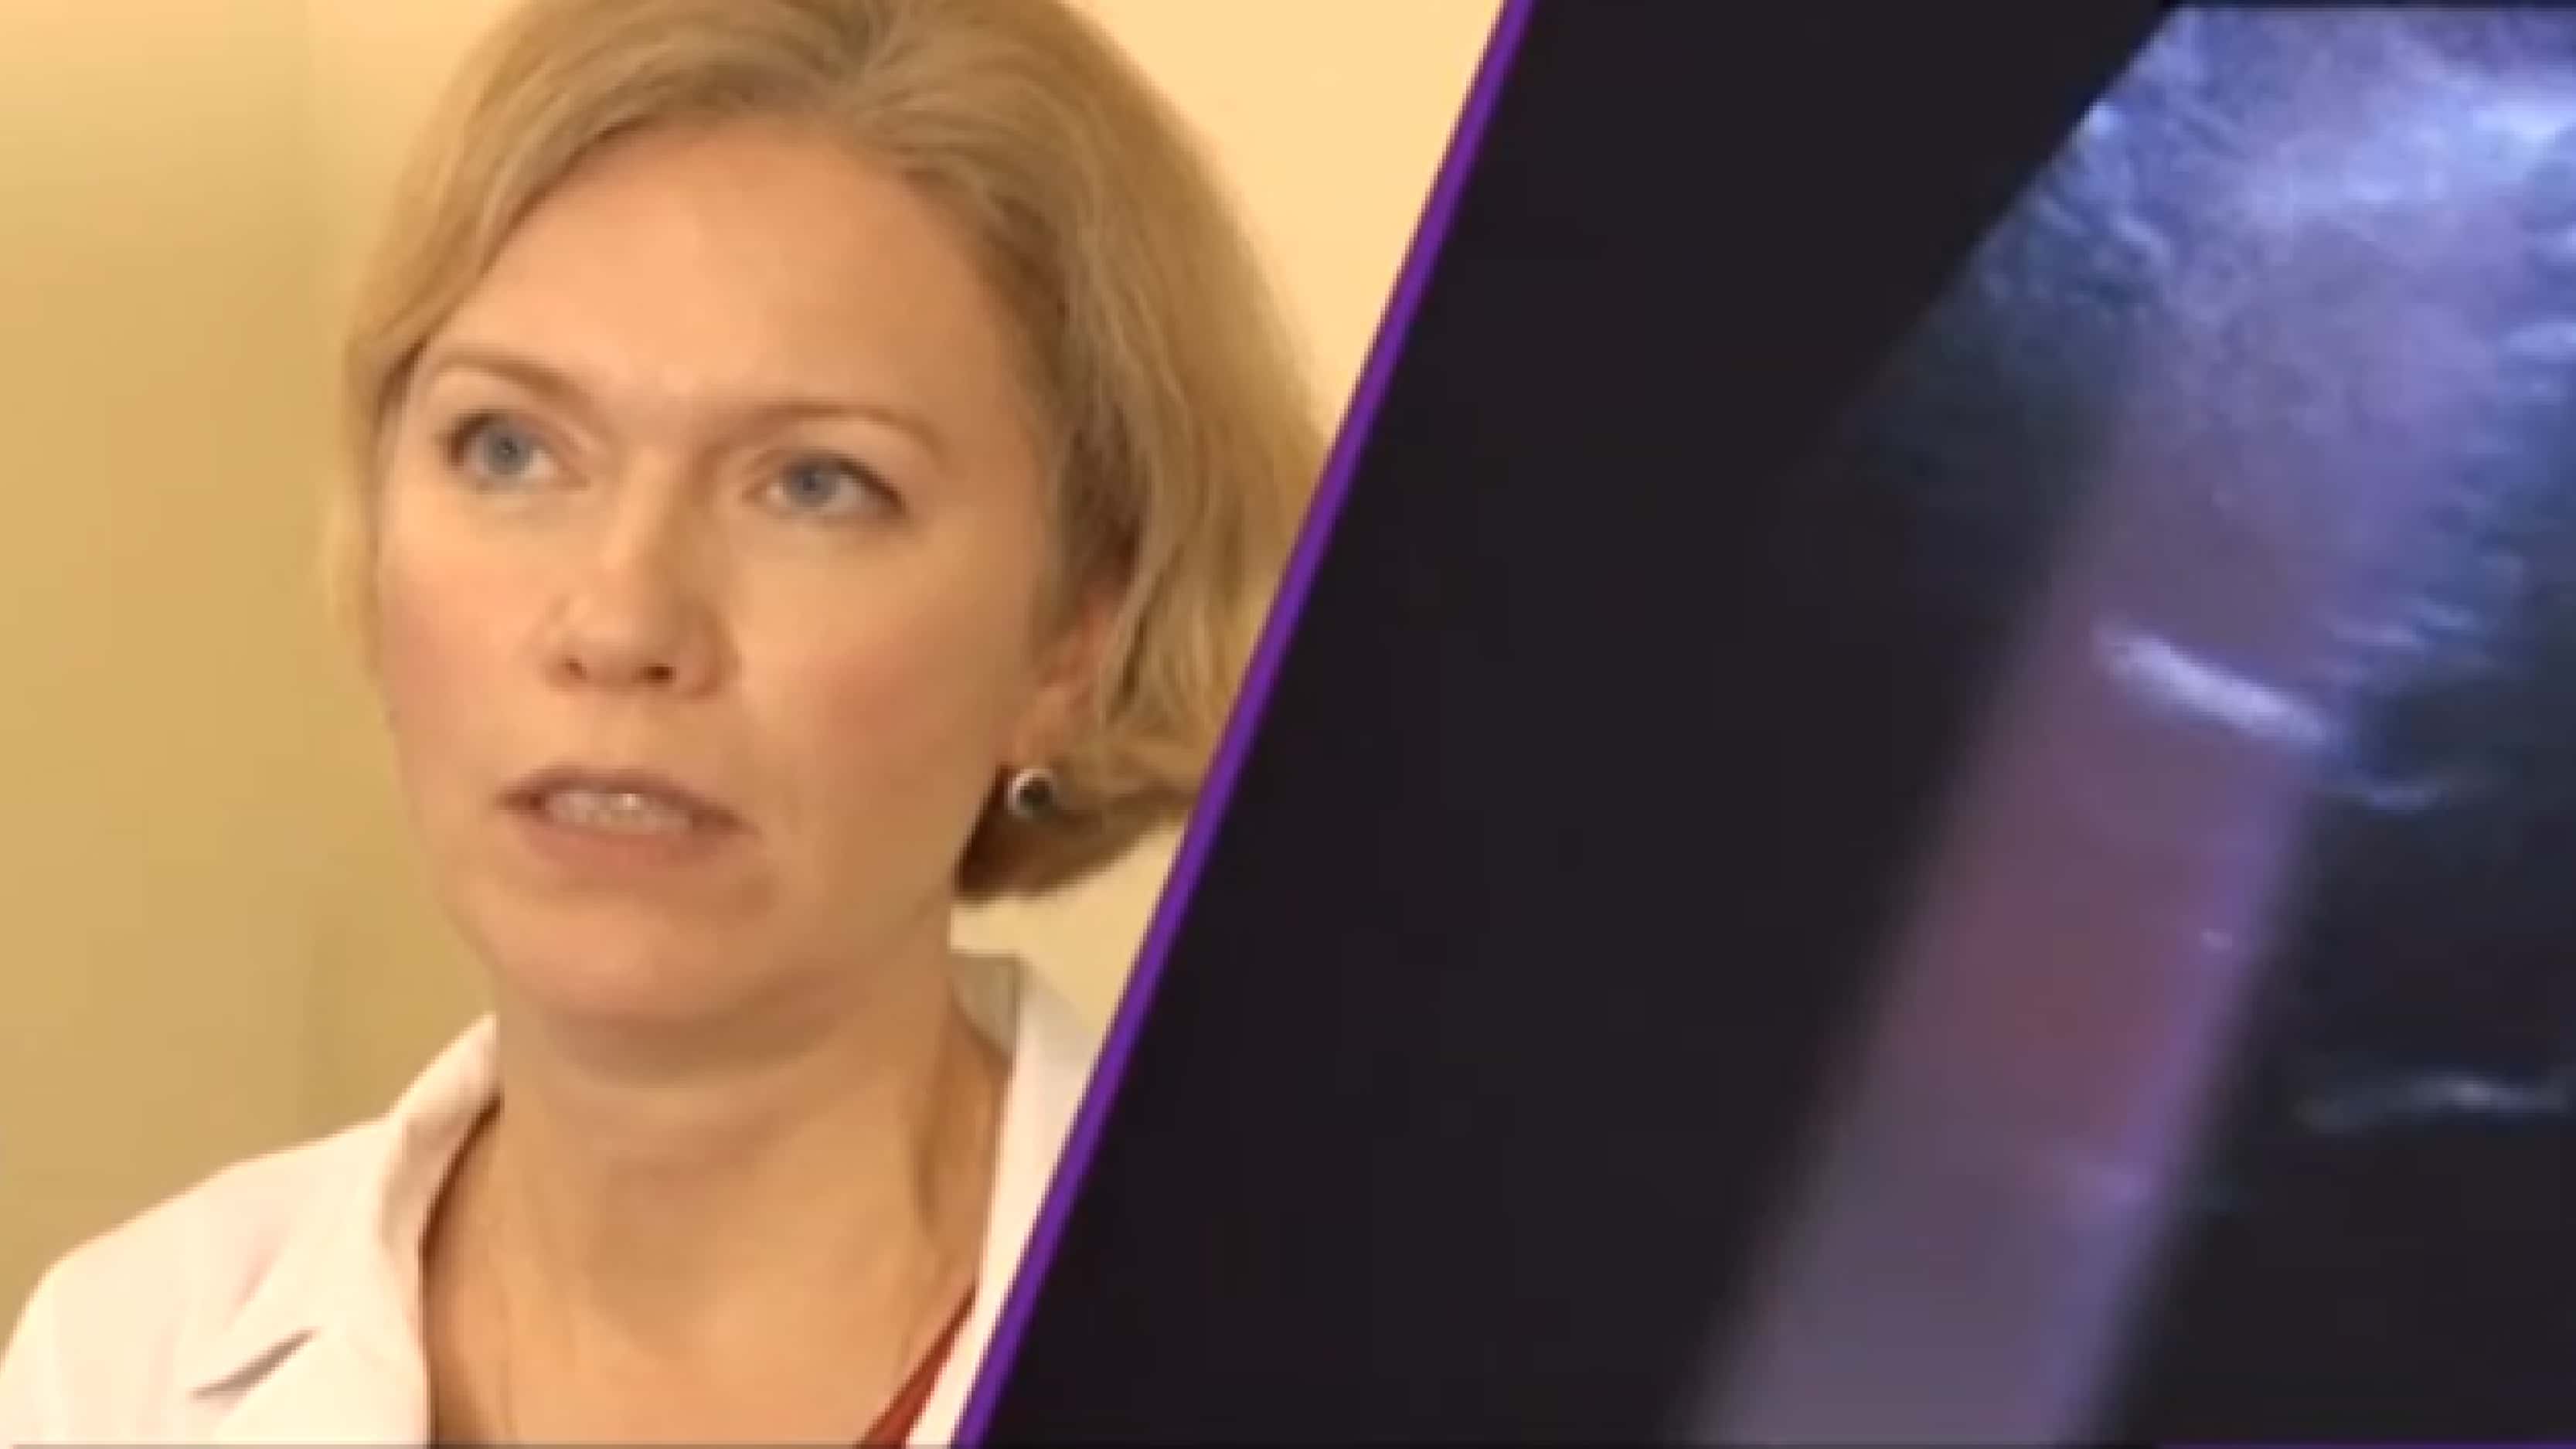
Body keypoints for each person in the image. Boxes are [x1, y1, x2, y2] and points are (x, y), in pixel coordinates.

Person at [0, 0, 1320, 1440]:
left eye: (815, 485)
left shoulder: (1343, 1363)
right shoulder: (121, 1364)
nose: (621, 622)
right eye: (511, 450)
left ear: (1077, 634)